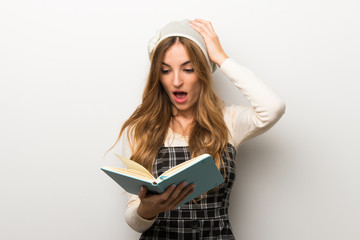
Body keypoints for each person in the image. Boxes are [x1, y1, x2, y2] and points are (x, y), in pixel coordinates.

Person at [110, 19, 286, 239]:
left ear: (203, 71)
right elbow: (134, 220)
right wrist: (148, 209)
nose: (176, 81)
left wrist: (221, 57)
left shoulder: (228, 121)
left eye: (188, 69)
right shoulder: (139, 130)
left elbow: (273, 107)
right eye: (165, 70)